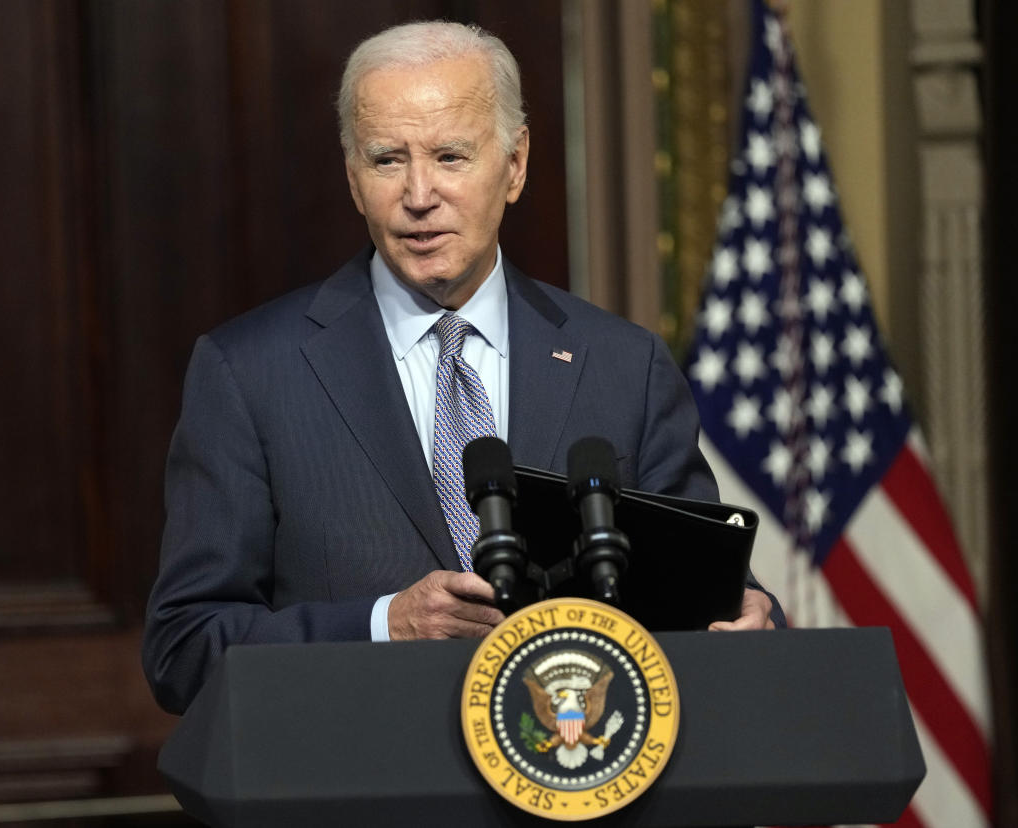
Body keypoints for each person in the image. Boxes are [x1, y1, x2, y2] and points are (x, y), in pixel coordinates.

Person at [142, 20, 782, 716]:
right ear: (353, 178)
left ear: (515, 164)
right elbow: (184, 649)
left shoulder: (624, 366)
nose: (420, 194)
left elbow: (712, 593)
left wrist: (751, 619)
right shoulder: (249, 373)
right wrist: (384, 625)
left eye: (450, 156)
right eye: (387, 160)